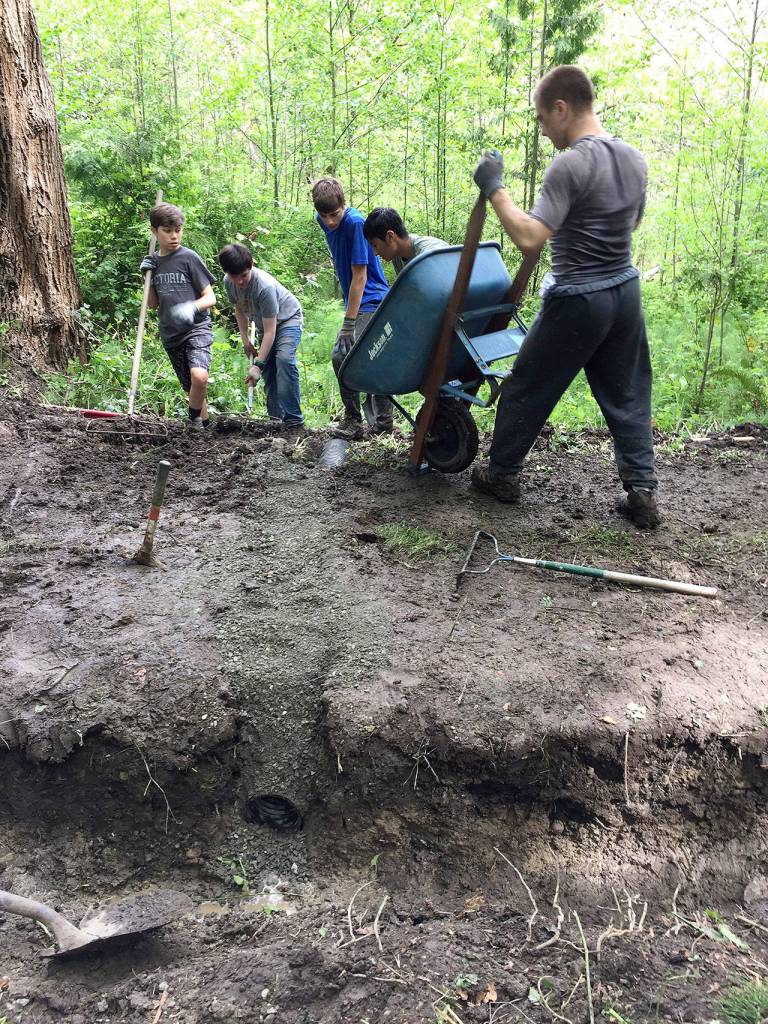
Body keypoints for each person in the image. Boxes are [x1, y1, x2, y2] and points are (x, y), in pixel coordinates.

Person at [471, 65, 660, 528]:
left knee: (527, 386)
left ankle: (501, 474)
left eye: (541, 118)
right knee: (629, 393)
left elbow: (531, 238)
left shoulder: (570, 163)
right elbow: (633, 223)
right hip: (625, 292)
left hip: (578, 297)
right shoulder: (634, 158)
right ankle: (642, 491)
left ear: (561, 108)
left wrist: (494, 187)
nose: (542, 129)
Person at [312, 177, 393, 438]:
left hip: (372, 298)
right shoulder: (323, 221)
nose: (330, 221)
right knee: (347, 356)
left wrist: (349, 323)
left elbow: (360, 276)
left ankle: (376, 422)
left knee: (349, 355)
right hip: (356, 301)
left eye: (335, 214)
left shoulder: (356, 223)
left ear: (343, 205)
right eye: (324, 216)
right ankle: (357, 419)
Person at [140, 203, 217, 432]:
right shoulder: (154, 263)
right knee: (191, 387)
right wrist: (146, 276)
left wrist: (192, 307)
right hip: (171, 334)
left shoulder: (188, 258)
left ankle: (190, 422)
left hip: (196, 328)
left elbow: (210, 297)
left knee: (199, 377)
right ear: (154, 231)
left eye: (178, 230)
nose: (174, 236)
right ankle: (204, 429)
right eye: (167, 231)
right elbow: (152, 304)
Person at [218, 243, 304, 430]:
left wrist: (257, 365)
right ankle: (276, 422)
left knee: (284, 360)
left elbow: (271, 331)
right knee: (269, 371)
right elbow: (239, 308)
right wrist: (245, 340)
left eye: (244, 275)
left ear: (251, 266)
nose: (240, 281)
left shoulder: (264, 287)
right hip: (265, 326)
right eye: (234, 276)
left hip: (288, 320)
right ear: (227, 273)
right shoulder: (228, 282)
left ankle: (294, 421)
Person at [362, 207, 447, 275]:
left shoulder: (429, 253)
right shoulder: (397, 256)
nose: (375, 253)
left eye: (375, 245)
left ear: (390, 236)